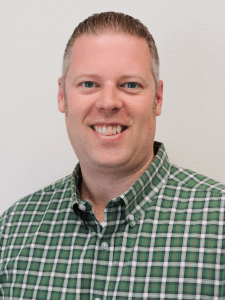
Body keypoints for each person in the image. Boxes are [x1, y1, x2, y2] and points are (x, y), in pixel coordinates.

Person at [0, 11, 225, 300]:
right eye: (89, 84)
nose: (108, 103)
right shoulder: (12, 232)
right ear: (62, 96)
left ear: (157, 98)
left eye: (130, 84)